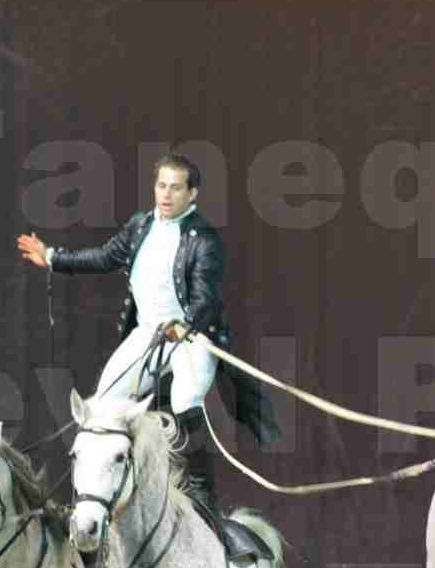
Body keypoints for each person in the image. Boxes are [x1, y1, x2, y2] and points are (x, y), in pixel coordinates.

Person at [18, 153, 275, 523]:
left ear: (192, 194)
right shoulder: (140, 226)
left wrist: (186, 324)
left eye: (175, 187)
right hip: (149, 334)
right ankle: (104, 492)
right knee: (102, 405)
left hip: (191, 337)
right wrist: (53, 257)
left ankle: (201, 493)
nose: (166, 194)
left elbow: (207, 298)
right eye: (160, 185)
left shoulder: (203, 239)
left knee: (186, 397)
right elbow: (105, 256)